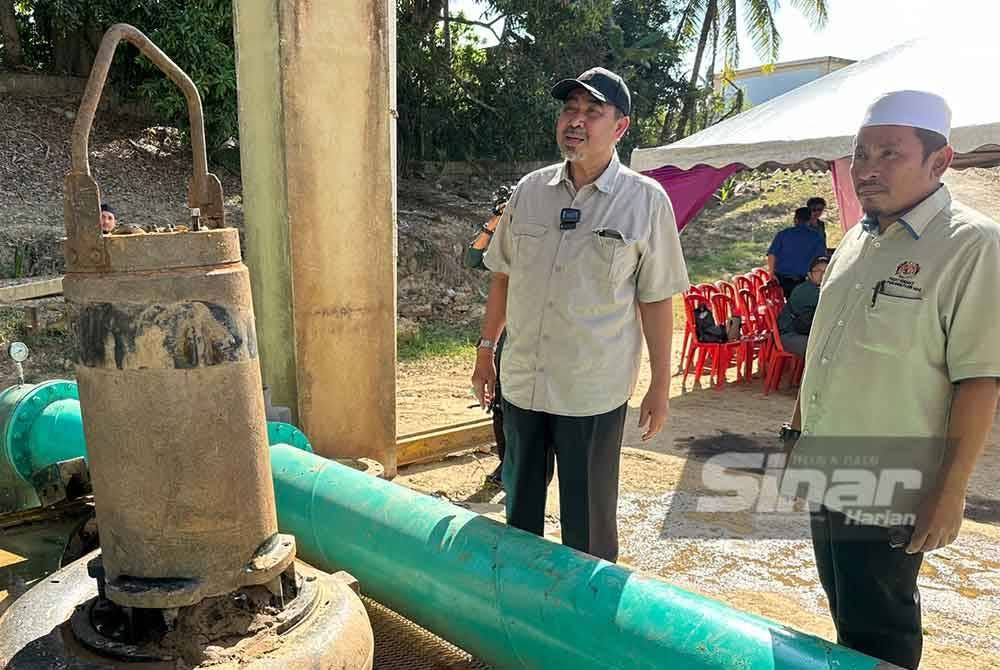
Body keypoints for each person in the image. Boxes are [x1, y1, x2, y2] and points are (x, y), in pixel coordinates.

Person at [780, 90, 1000, 669]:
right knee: (845, 607)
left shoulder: (972, 246)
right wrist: (797, 433)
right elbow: (828, 347)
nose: (867, 170)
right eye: (860, 154)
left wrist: (949, 492)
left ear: (940, 161)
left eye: (889, 154)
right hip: (832, 460)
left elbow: (979, 379)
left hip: (891, 474)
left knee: (881, 628)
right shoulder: (859, 236)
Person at [470, 67, 689, 563]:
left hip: (591, 390)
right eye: (570, 109)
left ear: (620, 127)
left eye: (593, 112)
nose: (577, 121)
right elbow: (503, 274)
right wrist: (487, 353)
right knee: (518, 512)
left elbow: (655, 299)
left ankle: (582, 620)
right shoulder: (529, 191)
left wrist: (659, 385)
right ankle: (521, 607)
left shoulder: (645, 202)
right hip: (523, 381)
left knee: (587, 525)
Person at [463, 187, 510, 486]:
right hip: (504, 331)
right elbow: (473, 257)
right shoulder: (503, 242)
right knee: (500, 404)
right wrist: (494, 221)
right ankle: (506, 465)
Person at [766, 206, 826, 298]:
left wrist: (771, 274)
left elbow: (772, 254)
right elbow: (820, 260)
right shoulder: (816, 237)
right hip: (805, 281)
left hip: (782, 281)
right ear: (809, 220)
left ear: (795, 220)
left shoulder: (783, 234)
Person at [776, 256, 827, 357]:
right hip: (789, 336)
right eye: (818, 271)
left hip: (803, 332)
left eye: (827, 271)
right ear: (809, 275)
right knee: (824, 349)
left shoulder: (819, 289)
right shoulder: (806, 290)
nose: (823, 274)